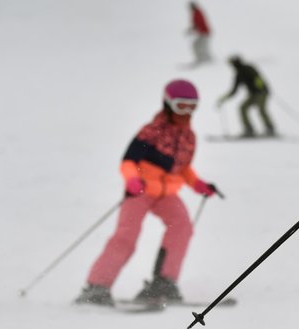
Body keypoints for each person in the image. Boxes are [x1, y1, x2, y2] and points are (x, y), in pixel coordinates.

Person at [75, 79, 220, 306]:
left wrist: (199, 184)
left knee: (182, 227)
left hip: (167, 194)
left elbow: (182, 168)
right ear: (168, 103)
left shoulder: (188, 137)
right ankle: (96, 287)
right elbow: (129, 161)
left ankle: (163, 283)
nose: (187, 112)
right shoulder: (152, 132)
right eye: (182, 106)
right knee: (126, 236)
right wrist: (132, 180)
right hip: (140, 190)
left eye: (192, 107)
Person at [217, 55, 276, 137]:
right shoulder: (238, 75)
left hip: (262, 92)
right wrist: (224, 98)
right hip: (253, 94)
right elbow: (234, 90)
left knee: (261, 109)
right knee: (242, 108)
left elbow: (258, 77)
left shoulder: (248, 68)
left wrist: (260, 85)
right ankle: (249, 129)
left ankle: (270, 128)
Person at [187, 0, 213, 65]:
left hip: (204, 33)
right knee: (198, 46)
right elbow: (196, 23)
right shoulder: (196, 13)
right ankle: (205, 60)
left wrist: (194, 28)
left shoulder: (197, 13)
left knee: (199, 46)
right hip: (203, 33)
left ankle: (204, 60)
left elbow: (199, 22)